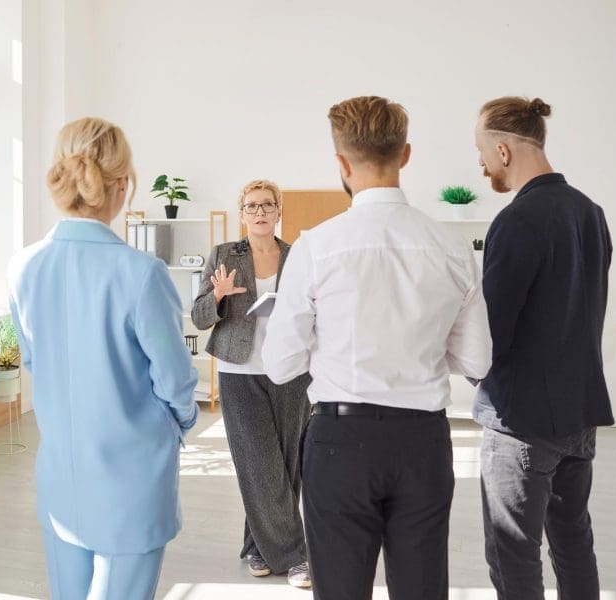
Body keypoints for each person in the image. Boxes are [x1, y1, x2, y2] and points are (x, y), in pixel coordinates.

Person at [263, 95, 493, 600]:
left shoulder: (315, 246)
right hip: (423, 443)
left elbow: (280, 366)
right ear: (405, 155)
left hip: (340, 442)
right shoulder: (451, 248)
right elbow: (477, 360)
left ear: (341, 163)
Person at [7, 116, 198, 600]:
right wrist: (182, 419)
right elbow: (175, 380)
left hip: (62, 471)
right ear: (121, 186)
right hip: (132, 475)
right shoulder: (142, 273)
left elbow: (33, 361)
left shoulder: (24, 266)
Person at [473, 96, 614, 600]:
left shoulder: (516, 220)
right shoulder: (590, 213)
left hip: (522, 422)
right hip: (579, 415)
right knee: (574, 542)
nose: (482, 162)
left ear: (505, 150)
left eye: (483, 150)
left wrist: (473, 373)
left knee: (513, 553)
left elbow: (492, 332)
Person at [191, 179, 311, 588]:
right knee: (259, 463)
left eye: (267, 204)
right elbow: (199, 316)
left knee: (286, 463)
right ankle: (296, 555)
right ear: (241, 213)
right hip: (239, 372)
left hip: (291, 371)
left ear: (279, 211)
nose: (259, 211)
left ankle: (257, 546)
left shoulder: (299, 257)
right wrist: (220, 296)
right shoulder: (224, 255)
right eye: (251, 205)